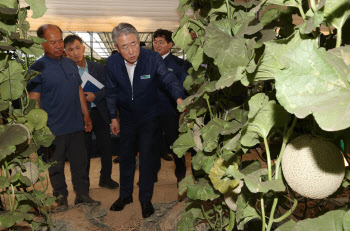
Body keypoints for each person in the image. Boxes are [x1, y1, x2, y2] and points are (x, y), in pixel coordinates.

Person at [105, 23, 184, 218]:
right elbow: (111, 92)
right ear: (116, 48)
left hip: (149, 116)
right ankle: (125, 196)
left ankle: (145, 199)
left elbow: (168, 79)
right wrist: (113, 117)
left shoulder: (152, 58)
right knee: (126, 158)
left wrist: (179, 98)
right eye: (124, 47)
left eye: (134, 44)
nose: (131, 51)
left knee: (148, 158)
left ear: (139, 40)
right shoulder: (112, 64)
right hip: (127, 118)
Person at [27, 24, 100, 211]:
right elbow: (34, 101)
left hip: (76, 125)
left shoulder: (69, 63)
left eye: (60, 40)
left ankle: (83, 195)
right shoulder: (37, 68)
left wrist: (86, 116)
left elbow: (78, 90)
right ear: (42, 43)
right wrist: (39, 128)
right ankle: (60, 198)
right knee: (55, 166)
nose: (59, 45)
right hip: (52, 129)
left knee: (80, 163)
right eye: (53, 42)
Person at [64, 34, 119, 189]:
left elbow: (110, 87)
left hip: (99, 112)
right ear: (66, 52)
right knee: (84, 151)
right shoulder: (65, 71)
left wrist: (96, 95)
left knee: (106, 147)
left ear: (83, 48)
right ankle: (84, 184)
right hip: (80, 115)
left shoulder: (98, 67)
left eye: (77, 48)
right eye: (70, 50)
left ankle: (105, 178)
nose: (75, 52)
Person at [152, 29, 190, 185]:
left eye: (161, 42)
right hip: (151, 111)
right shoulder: (147, 62)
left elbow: (185, 87)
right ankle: (151, 174)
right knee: (151, 144)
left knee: (175, 144)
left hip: (170, 111)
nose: (157, 45)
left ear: (170, 44)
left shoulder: (179, 64)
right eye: (155, 42)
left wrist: (184, 104)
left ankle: (180, 172)